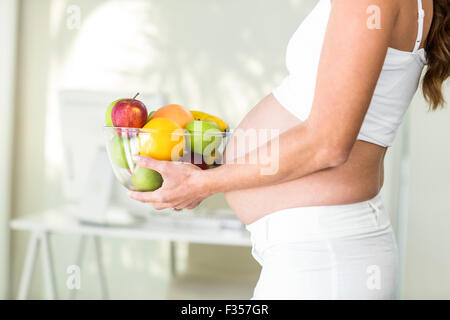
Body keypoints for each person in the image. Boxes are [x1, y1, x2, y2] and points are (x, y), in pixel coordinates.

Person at [129, 0, 450, 299]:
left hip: (321, 256)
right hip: (321, 250)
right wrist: (215, 157)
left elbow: (328, 143)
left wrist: (204, 184)